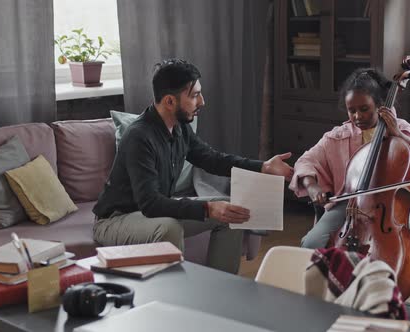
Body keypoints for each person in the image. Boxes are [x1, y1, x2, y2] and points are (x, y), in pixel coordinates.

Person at [93, 59, 293, 274]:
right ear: (170, 101)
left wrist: (263, 166)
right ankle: (178, 301)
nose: (202, 102)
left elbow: (212, 159)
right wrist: (208, 208)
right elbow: (150, 203)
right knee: (170, 226)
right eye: (195, 95)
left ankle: (222, 289)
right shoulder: (139, 137)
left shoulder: (179, 128)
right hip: (115, 221)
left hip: (155, 213)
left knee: (231, 212)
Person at [289, 68, 410, 266]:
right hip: (350, 205)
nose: (357, 116)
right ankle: (326, 291)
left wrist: (399, 135)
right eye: (351, 110)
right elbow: (306, 161)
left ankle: (395, 293)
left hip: (397, 205)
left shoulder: (402, 129)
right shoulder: (338, 135)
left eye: (364, 109)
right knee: (312, 242)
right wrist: (312, 185)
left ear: (379, 105)